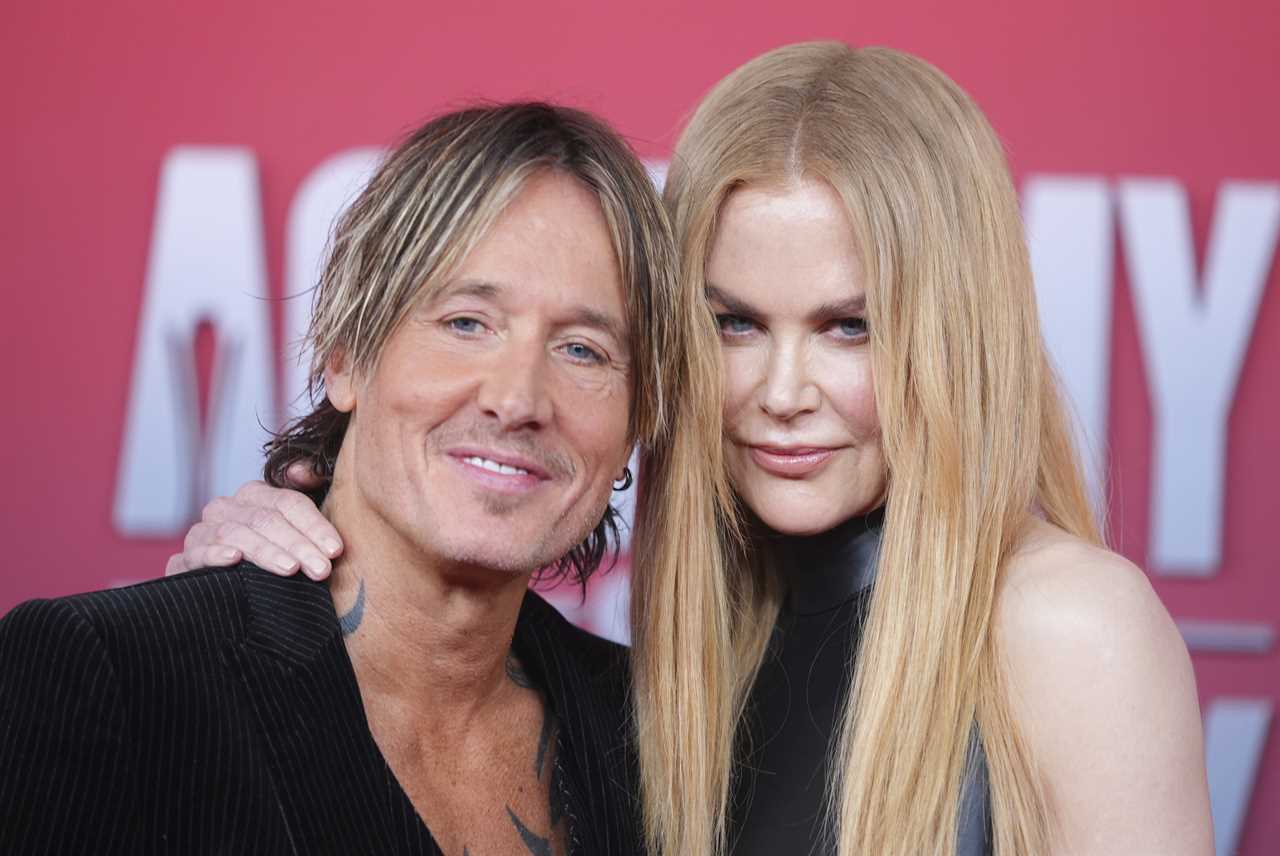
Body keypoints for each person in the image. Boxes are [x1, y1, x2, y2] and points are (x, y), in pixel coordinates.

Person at [168, 44, 1213, 856]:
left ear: (958, 339)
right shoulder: (672, 668)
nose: (781, 394)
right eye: (734, 324)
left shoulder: (1067, 625)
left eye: (849, 327)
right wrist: (264, 577)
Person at [0, 102, 719, 855]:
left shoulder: (658, 738)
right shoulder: (112, 673)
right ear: (345, 354)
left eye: (582, 351)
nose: (517, 400)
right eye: (467, 323)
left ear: (637, 422)